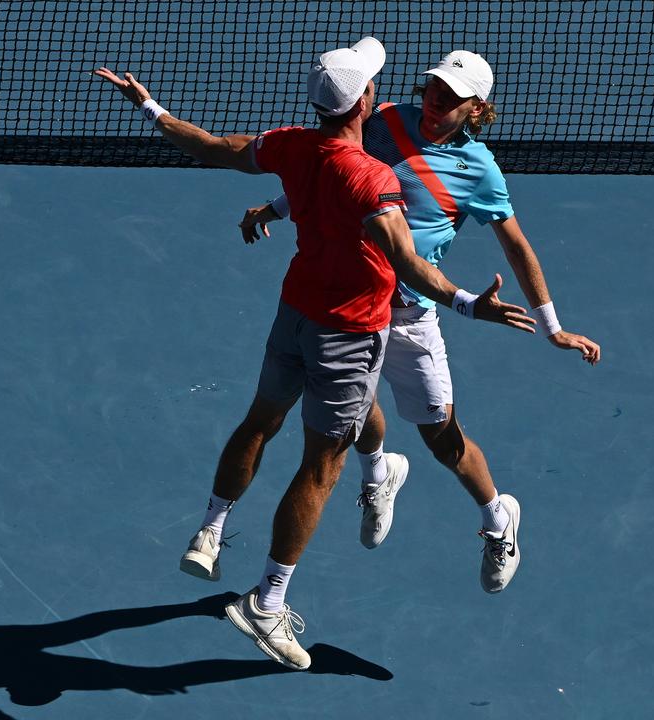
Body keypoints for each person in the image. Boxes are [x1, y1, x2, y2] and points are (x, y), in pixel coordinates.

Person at [96, 38, 535, 670]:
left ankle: (213, 528)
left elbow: (211, 147)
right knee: (321, 466)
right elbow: (408, 262)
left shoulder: (291, 145)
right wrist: (473, 304)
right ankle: (268, 601)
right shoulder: (373, 178)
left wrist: (150, 108)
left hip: (294, 316)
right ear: (365, 101)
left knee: (262, 422)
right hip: (351, 332)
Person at [237, 50, 602, 594]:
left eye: (452, 96)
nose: (436, 99)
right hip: (352, 308)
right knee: (353, 414)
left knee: (442, 437)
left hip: (411, 314)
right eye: (434, 87)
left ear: (477, 108)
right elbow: (337, 173)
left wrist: (553, 326)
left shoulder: (479, 169)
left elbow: (517, 246)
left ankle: (498, 520)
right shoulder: (384, 120)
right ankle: (378, 474)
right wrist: (275, 206)